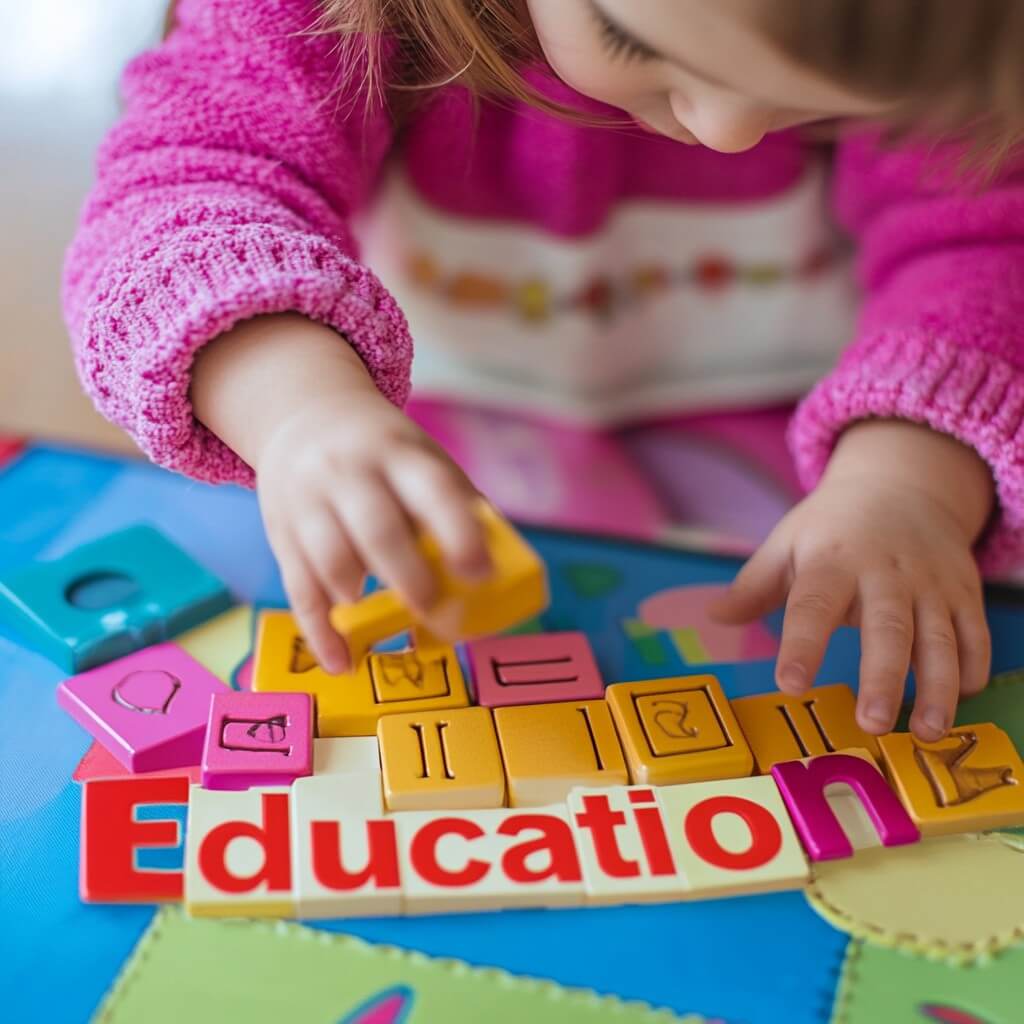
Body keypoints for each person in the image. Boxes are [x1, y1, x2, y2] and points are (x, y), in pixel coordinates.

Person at [64, 0, 1024, 742]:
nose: (726, 125)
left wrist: (910, 483)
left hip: (818, 456)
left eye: (816, 102)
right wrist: (300, 414)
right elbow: (188, 189)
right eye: (632, 38)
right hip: (408, 437)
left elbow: (988, 247)